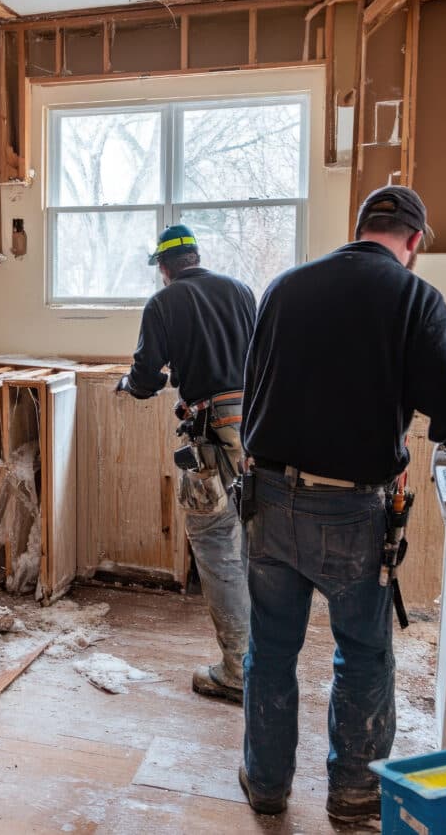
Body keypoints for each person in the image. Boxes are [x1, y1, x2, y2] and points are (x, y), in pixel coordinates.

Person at [236, 186, 446, 822]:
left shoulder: (284, 287)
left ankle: (267, 786)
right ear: (414, 243)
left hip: (267, 496)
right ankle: (352, 796)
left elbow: (252, 391)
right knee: (362, 651)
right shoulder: (414, 298)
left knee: (270, 650)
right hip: (351, 512)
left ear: (358, 229)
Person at [116, 224, 257, 703]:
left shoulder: (164, 303)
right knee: (252, 544)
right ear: (197, 255)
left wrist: (130, 386)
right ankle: (263, 662)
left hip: (212, 430)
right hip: (258, 430)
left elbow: (145, 376)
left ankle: (239, 670)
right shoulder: (240, 291)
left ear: (164, 267)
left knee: (216, 544)